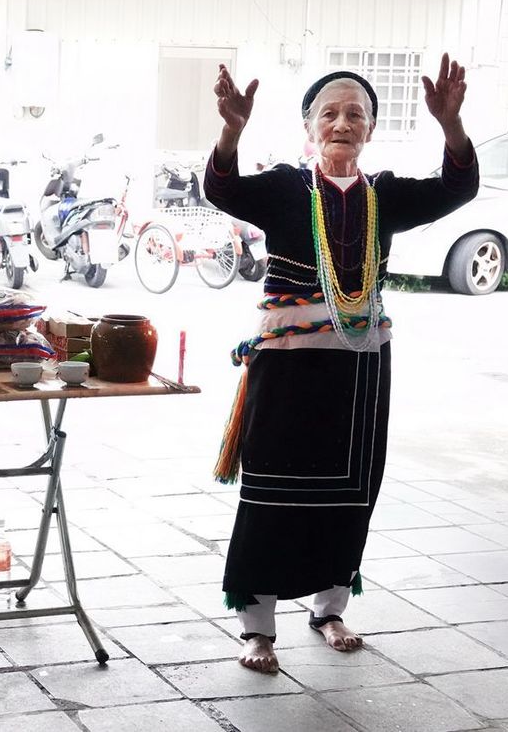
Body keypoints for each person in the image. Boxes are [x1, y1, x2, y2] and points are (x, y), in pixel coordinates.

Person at [205, 55, 478, 673]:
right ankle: (257, 629)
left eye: (356, 113)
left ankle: (329, 609)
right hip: (287, 365)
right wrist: (230, 131)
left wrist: (452, 126)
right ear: (309, 127)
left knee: (352, 491)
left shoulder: (385, 195)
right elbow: (222, 188)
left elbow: (457, 187)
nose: (342, 122)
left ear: (371, 129)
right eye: (329, 113)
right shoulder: (283, 188)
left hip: (360, 368)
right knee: (272, 490)